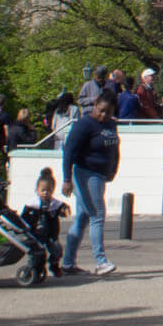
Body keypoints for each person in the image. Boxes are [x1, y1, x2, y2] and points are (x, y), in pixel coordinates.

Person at [61, 95, 121, 276]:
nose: (103, 115)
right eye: (101, 110)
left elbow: (114, 148)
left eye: (108, 112)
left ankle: (68, 263)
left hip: (101, 175)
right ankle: (101, 261)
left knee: (82, 218)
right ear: (94, 105)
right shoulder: (84, 124)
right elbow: (69, 151)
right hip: (86, 173)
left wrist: (113, 169)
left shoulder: (110, 124)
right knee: (97, 214)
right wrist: (66, 179)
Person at [20, 167, 70, 277]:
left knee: (56, 250)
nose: (45, 193)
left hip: (51, 233)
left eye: (48, 190)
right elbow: (24, 217)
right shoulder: (33, 203)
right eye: (43, 190)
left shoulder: (54, 203)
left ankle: (54, 265)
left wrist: (64, 209)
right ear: (37, 190)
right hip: (36, 233)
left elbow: (62, 207)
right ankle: (35, 269)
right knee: (37, 253)